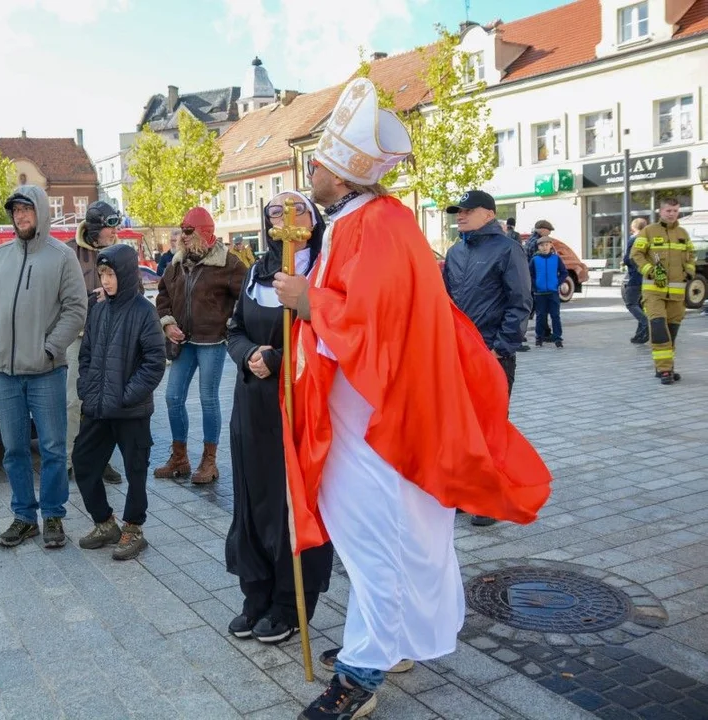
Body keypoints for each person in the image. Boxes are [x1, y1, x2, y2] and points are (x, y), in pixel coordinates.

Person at [272, 78, 551, 720]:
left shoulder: (385, 224)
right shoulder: (351, 220)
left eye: (317, 163)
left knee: (382, 545)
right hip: (355, 420)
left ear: (342, 179)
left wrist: (309, 301)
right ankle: (392, 640)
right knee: (383, 543)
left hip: (383, 424)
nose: (310, 170)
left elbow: (381, 319)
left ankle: (360, 677)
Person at [224, 191, 333, 645]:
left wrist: (277, 355)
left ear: (313, 219)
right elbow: (234, 329)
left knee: (292, 502)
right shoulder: (255, 272)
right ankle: (257, 594)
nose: (284, 221)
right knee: (252, 499)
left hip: (299, 402)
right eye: (274, 214)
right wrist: (250, 353)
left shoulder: (324, 270)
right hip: (252, 403)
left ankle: (291, 603)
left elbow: (325, 329)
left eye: (295, 212)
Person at [0, 185, 87, 548]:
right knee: (14, 449)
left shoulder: (61, 256)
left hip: (46, 372)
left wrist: (50, 349)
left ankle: (53, 515)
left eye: (27, 210)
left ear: (40, 212)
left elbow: (75, 309)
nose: (20, 216)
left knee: (53, 448)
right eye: (15, 211)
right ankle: (24, 516)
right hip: (4, 373)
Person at [444, 191, 533, 527]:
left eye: (467, 211)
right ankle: (467, 495)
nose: (460, 216)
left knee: (490, 426)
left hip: (492, 354)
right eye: (457, 212)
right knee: (461, 428)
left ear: (489, 214)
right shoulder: (455, 253)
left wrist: (501, 346)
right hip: (458, 356)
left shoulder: (508, 249)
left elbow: (520, 301)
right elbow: (446, 304)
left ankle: (489, 499)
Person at [73, 244, 165, 561]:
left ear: (125, 273)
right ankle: (105, 523)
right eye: (102, 274)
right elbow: (86, 356)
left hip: (130, 411)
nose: (106, 280)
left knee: (135, 470)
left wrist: (126, 396)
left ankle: (133, 528)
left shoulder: (143, 311)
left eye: (111, 274)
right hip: (98, 408)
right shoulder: (99, 310)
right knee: (83, 462)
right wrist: (86, 387)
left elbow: (154, 362)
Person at [153, 207, 246, 484]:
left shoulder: (229, 264)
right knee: (172, 397)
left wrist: (231, 324)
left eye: (189, 231)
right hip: (184, 342)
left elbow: (248, 296)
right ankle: (180, 457)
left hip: (212, 341)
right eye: (183, 231)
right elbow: (163, 296)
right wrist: (168, 323)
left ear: (204, 233)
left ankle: (210, 461)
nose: (183, 236)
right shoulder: (177, 263)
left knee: (208, 399)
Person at [65, 201, 124, 485]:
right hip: (77, 336)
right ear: (94, 228)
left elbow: (133, 289)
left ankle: (103, 462)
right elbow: (57, 296)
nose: (115, 232)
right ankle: (67, 460)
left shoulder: (121, 252)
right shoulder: (67, 252)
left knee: (106, 401)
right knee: (73, 401)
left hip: (110, 338)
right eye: (110, 228)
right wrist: (90, 301)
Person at [629, 197, 695, 385]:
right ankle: (666, 370)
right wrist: (650, 270)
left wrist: (689, 272)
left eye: (675, 210)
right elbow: (636, 254)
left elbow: (691, 256)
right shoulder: (648, 232)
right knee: (658, 329)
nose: (672, 214)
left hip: (676, 294)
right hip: (653, 292)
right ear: (660, 211)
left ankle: (664, 367)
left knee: (671, 333)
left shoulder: (683, 233)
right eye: (668, 211)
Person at [530, 236, 568, 349]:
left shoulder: (556, 259)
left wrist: (557, 283)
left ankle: (557, 338)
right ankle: (539, 337)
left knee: (555, 316)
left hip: (553, 293)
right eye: (542, 245)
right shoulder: (535, 260)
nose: (544, 247)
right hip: (539, 293)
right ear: (538, 247)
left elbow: (564, 272)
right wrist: (535, 285)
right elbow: (529, 274)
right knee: (540, 316)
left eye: (547, 245)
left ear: (551, 245)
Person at [623, 218, 650, 344]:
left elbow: (628, 258)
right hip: (648, 277)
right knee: (640, 305)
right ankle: (640, 335)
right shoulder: (649, 239)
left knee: (631, 303)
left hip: (636, 276)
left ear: (633, 228)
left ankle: (646, 324)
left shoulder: (634, 239)